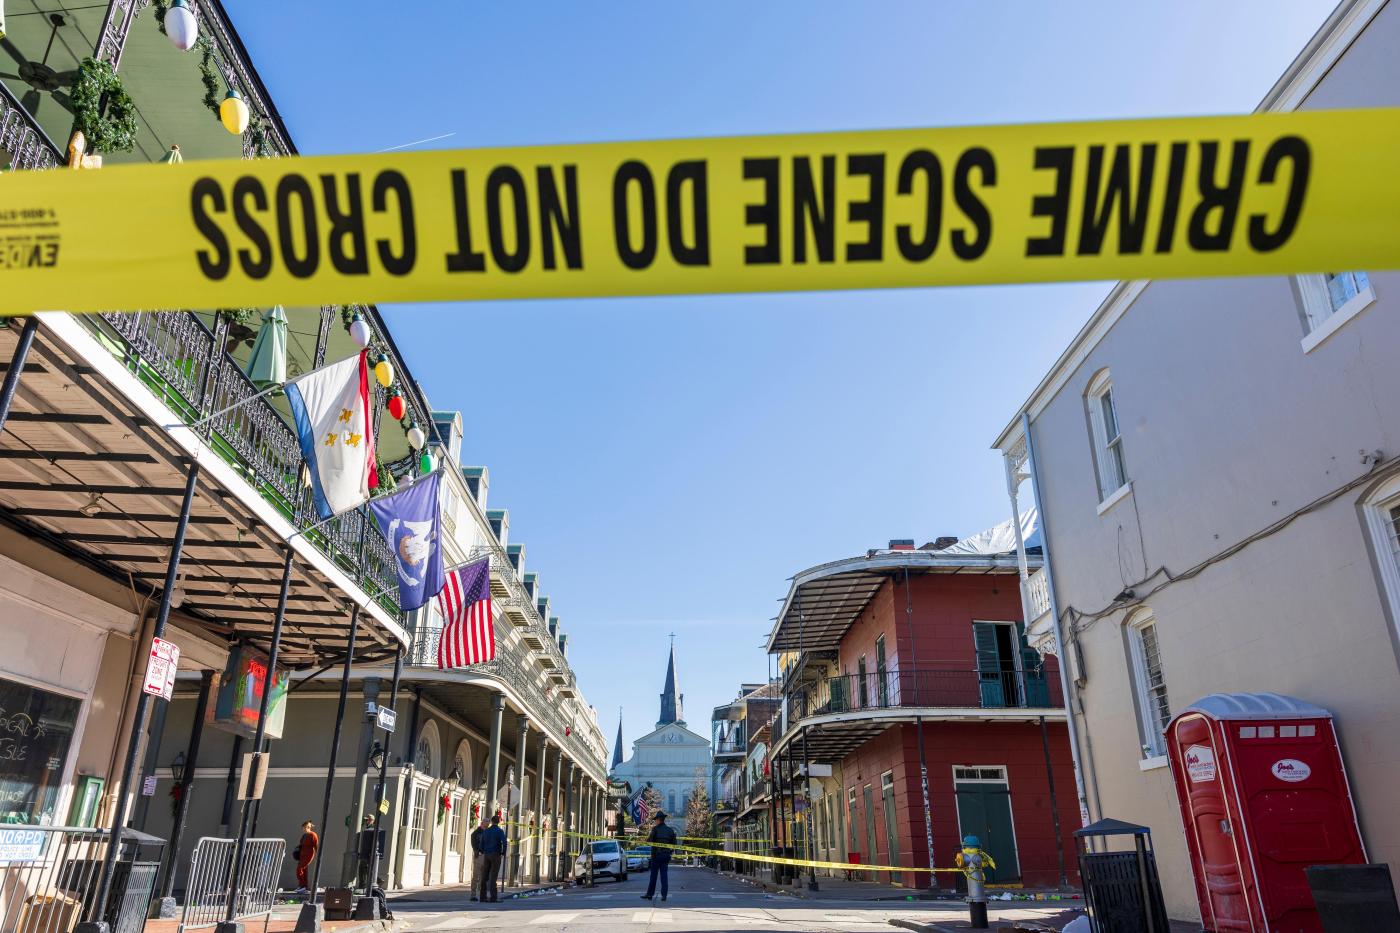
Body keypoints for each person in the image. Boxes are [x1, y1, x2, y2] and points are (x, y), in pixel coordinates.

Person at [641, 811, 677, 901]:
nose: (655, 822)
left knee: (653, 876)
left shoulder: (655, 829)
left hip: (656, 855)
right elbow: (674, 844)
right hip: (665, 855)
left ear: (658, 820)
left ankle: (650, 894)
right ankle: (664, 895)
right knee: (664, 876)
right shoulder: (670, 830)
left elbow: (649, 841)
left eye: (655, 820)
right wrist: (669, 852)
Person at [477, 814, 508, 903]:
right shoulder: (499, 831)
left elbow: (481, 843)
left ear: (491, 822)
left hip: (487, 854)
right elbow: (504, 842)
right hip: (495, 854)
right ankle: (493, 897)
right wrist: (503, 852)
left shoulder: (486, 831)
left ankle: (482, 897)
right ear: (498, 822)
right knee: (493, 876)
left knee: (485, 876)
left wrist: (483, 851)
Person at [293, 820, 318, 894]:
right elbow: (301, 845)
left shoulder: (313, 835)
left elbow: (316, 845)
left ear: (307, 827)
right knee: (304, 870)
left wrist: (317, 855)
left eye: (304, 827)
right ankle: (304, 886)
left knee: (299, 869)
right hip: (302, 855)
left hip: (308, 855)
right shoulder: (304, 836)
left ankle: (302, 885)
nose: (303, 829)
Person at [469, 817, 489, 902]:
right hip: (479, 855)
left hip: (487, 856)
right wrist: (476, 850)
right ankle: (473, 894)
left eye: (488, 822)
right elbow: (473, 840)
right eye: (486, 822)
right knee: (476, 876)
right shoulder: (477, 833)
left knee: (483, 877)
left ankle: (482, 894)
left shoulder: (488, 832)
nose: (488, 824)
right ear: (482, 823)